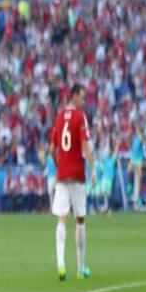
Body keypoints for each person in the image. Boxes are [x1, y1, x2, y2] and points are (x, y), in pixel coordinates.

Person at [49, 84, 95, 282]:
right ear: (74, 96)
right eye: (82, 97)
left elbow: (52, 149)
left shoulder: (59, 117)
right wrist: (93, 167)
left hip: (62, 175)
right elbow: (85, 146)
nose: (83, 101)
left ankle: (61, 265)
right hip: (77, 174)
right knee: (80, 219)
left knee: (61, 218)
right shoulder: (80, 117)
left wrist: (59, 165)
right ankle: (80, 268)